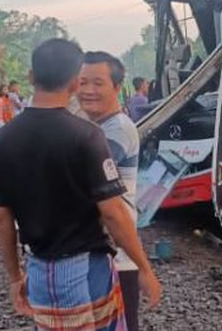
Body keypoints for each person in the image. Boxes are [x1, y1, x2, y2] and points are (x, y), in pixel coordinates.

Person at [0, 39, 161, 331]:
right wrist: (145, 267)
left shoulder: (4, 138)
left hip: (46, 266)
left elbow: (0, 216)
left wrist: (15, 276)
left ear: (31, 77)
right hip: (93, 263)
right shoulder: (86, 135)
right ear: (73, 83)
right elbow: (112, 212)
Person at [79, 51, 144, 331]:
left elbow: (82, 180)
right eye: (82, 83)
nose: (88, 91)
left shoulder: (118, 130)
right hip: (99, 254)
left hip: (118, 256)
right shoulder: (95, 128)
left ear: (117, 88)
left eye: (97, 83)